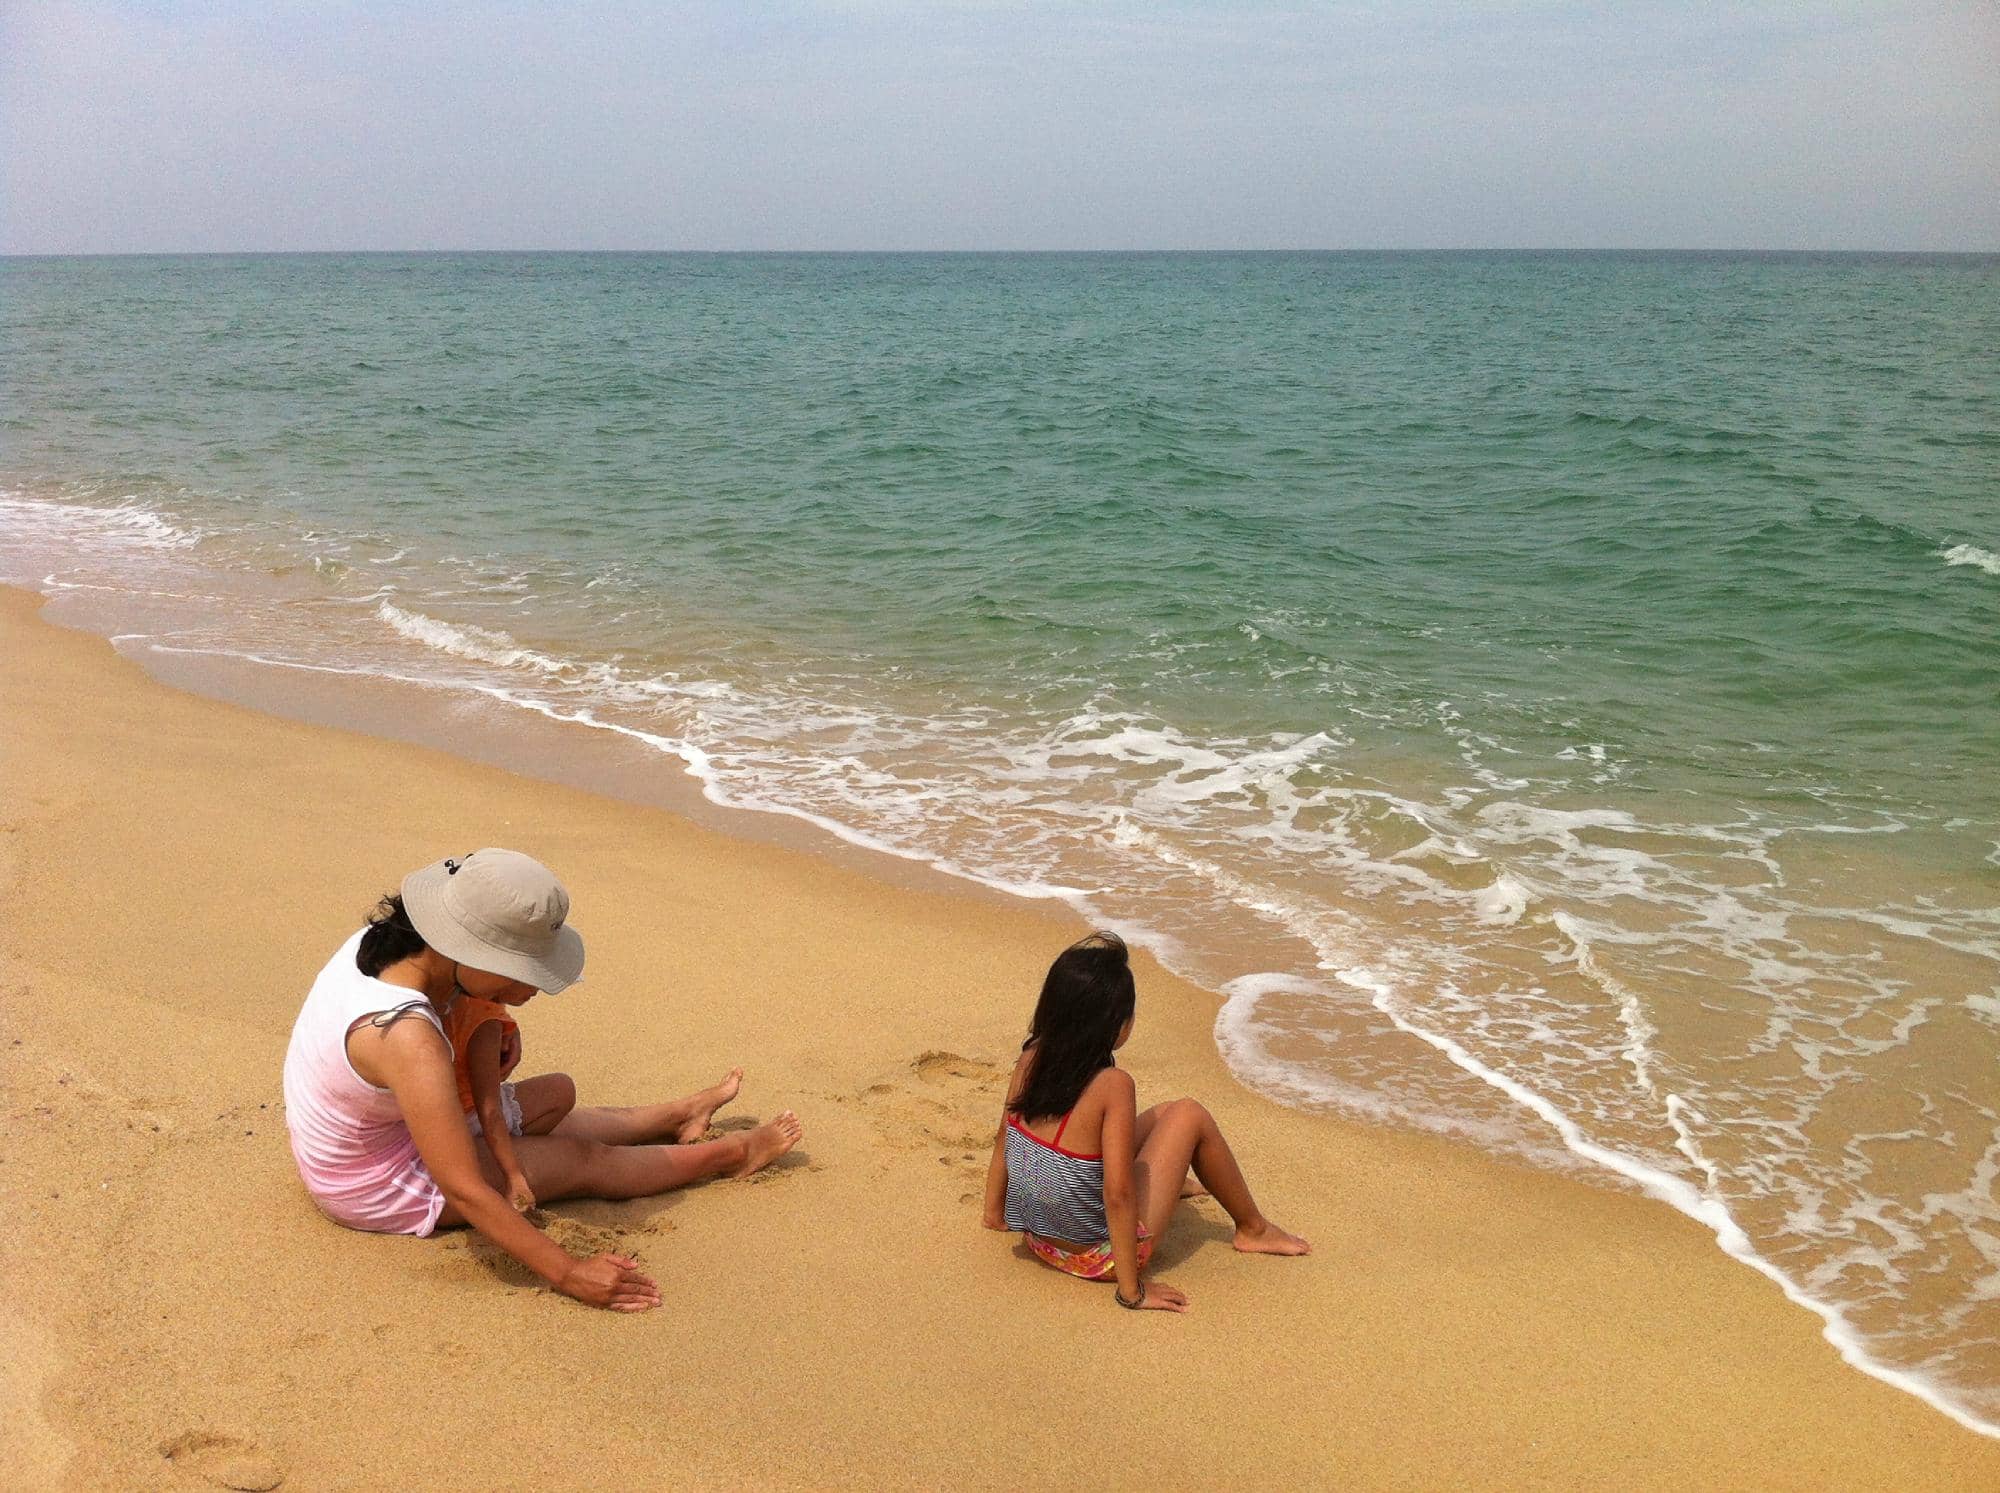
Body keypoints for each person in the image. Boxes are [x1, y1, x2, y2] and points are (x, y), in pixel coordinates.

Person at [282, 848, 801, 1312]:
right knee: (581, 1159)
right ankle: (734, 1155)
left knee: (558, 1109)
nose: (532, 988)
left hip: (378, 1126)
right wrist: (569, 1273)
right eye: (521, 971)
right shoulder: (405, 1036)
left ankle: (678, 1114)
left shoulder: (384, 946)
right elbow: (462, 1189)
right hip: (373, 1182)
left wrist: (485, 1010)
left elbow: (443, 1021)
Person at [981, 931, 1307, 1313]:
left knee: (1166, 1113)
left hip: (1040, 1239)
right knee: (1190, 1113)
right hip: (1096, 1257)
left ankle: (1172, 1180)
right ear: (1114, 1023)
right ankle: (1254, 1229)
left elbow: (1006, 1136)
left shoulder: (1033, 1056)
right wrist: (1131, 1291)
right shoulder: (1113, 1085)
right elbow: (1117, 1193)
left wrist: (993, 1214)